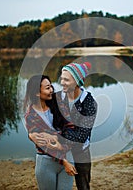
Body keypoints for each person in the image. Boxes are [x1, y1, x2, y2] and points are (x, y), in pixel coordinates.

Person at [23, 75, 78, 190]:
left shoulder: (58, 103)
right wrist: (63, 161)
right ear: (37, 93)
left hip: (68, 155)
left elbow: (71, 129)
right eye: (48, 88)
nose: (52, 90)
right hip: (47, 162)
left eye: (51, 86)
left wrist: (56, 139)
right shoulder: (31, 116)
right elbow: (44, 145)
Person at [56, 62, 97, 190]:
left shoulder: (89, 103)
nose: (62, 82)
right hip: (60, 150)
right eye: (61, 78)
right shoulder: (57, 98)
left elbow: (81, 136)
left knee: (83, 185)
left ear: (77, 81)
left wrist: (57, 134)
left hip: (81, 152)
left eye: (66, 79)